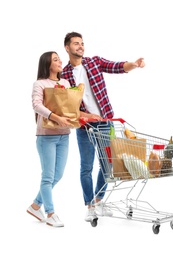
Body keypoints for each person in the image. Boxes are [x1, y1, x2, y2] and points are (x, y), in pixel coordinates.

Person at [61, 32, 145, 222]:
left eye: (82, 43)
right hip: (84, 127)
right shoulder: (64, 74)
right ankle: (90, 206)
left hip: (105, 123)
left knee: (108, 165)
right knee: (86, 167)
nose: (81, 46)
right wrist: (86, 116)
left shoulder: (94, 62)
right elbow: (66, 105)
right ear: (67, 48)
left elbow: (116, 67)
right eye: (76, 44)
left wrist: (134, 64)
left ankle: (99, 201)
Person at [27, 51, 92, 227]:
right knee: (48, 177)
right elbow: (36, 105)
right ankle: (50, 213)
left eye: (59, 59)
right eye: (55, 59)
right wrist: (56, 118)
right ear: (47, 64)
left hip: (64, 135)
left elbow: (71, 108)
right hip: (46, 136)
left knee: (58, 175)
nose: (60, 61)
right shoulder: (39, 84)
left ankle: (35, 206)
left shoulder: (65, 83)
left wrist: (88, 115)